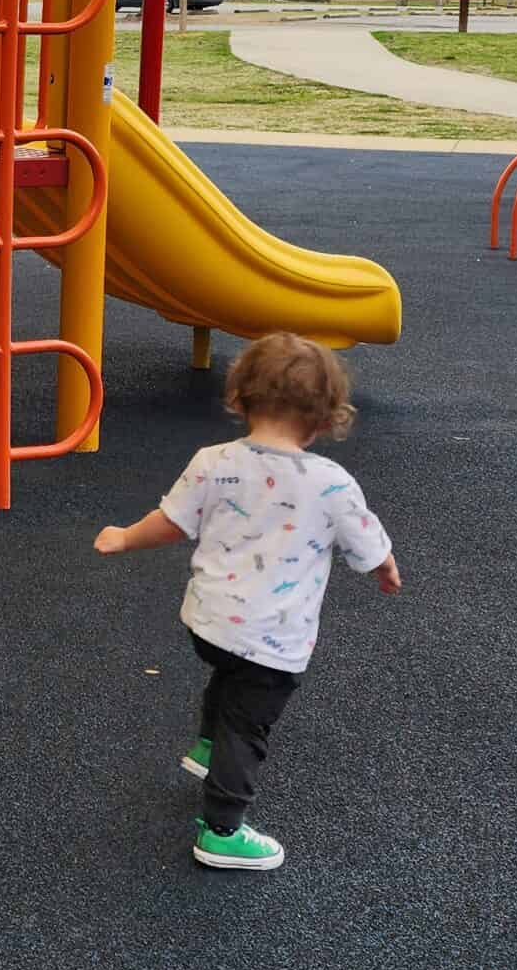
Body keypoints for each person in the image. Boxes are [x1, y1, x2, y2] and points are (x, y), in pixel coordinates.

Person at [91, 333, 401, 873]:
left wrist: (123, 536)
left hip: (208, 624)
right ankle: (222, 830)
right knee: (249, 723)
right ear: (327, 417)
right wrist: (385, 566)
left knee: (229, 679)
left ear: (242, 397)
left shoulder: (214, 462)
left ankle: (207, 746)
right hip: (273, 638)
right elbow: (367, 541)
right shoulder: (332, 484)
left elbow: (171, 522)